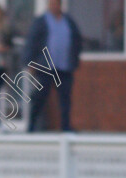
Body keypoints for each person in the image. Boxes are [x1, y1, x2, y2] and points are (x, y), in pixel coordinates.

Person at [22, 0, 82, 132]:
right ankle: (31, 127)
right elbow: (32, 42)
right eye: (51, 3)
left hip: (64, 67)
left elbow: (77, 40)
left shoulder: (68, 21)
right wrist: (30, 62)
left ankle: (66, 127)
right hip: (45, 68)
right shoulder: (41, 21)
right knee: (39, 97)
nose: (54, 6)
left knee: (65, 99)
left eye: (56, 3)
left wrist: (75, 60)